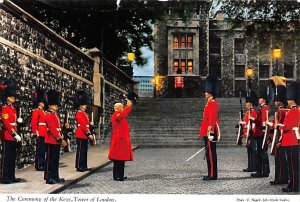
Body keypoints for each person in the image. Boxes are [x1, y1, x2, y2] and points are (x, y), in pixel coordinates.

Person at [277, 81, 299, 193]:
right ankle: (292, 184)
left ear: (293, 100)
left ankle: (294, 185)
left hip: (292, 141)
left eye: (290, 100)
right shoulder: (292, 111)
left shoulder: (295, 111)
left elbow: (288, 126)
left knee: (293, 166)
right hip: (289, 141)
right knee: (291, 165)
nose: (288, 101)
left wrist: (279, 126)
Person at [0, 80, 22, 184]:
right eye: (12, 96)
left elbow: (13, 122)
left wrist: (19, 122)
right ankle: (5, 177)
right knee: (6, 157)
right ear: (7, 97)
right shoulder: (4, 108)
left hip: (14, 135)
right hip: (8, 135)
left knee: (12, 157)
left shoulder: (13, 108)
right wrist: (14, 133)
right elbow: (6, 123)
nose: (13, 98)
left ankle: (11, 176)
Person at [44, 89, 67, 184]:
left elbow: (58, 128)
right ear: (49, 105)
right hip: (51, 140)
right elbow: (52, 129)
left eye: (56, 105)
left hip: (56, 140)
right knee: (50, 160)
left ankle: (55, 176)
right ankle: (48, 177)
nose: (56, 107)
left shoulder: (55, 115)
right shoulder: (49, 115)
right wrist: (60, 139)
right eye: (54, 105)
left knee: (55, 160)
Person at [199, 75, 220, 181]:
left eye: (206, 91)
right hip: (207, 131)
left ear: (210, 92)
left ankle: (212, 174)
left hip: (209, 132)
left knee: (211, 154)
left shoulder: (212, 103)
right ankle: (211, 173)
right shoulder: (209, 103)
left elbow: (212, 119)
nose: (205, 93)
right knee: (209, 154)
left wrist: (211, 132)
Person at [267, 85, 288, 185]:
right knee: (278, 159)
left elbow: (282, 126)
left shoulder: (283, 111)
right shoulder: (279, 111)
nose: (275, 102)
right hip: (277, 137)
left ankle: (282, 178)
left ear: (280, 101)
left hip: (281, 138)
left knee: (281, 159)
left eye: (277, 100)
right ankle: (279, 177)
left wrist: (280, 140)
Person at [108, 99, 133, 181]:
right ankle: (119, 176)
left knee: (119, 160)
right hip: (119, 141)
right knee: (120, 160)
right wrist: (128, 107)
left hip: (120, 140)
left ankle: (117, 175)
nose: (123, 108)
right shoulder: (116, 115)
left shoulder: (118, 115)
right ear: (118, 108)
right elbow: (122, 115)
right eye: (122, 107)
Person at [251, 87, 270, 178]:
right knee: (261, 152)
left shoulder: (265, 108)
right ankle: (263, 170)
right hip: (259, 133)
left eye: (260, 98)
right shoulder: (262, 108)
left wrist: (253, 120)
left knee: (261, 153)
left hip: (261, 133)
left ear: (264, 100)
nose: (259, 100)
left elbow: (262, 121)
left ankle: (262, 171)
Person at [74, 90, 94, 172]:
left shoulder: (84, 113)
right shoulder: (79, 113)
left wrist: (90, 123)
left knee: (84, 151)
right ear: (80, 105)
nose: (85, 106)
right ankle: (79, 166)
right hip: (81, 134)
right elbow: (82, 125)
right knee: (80, 151)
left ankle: (84, 165)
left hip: (84, 134)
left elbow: (86, 124)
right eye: (84, 104)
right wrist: (88, 133)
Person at [239, 90, 258, 173]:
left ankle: (253, 166)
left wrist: (249, 133)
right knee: (249, 151)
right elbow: (247, 123)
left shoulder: (253, 112)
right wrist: (242, 123)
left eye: (247, 103)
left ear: (250, 103)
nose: (245, 104)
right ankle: (250, 166)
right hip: (248, 134)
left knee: (252, 151)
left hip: (251, 134)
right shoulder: (248, 112)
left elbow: (253, 124)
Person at [31, 89, 48, 171]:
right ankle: (39, 165)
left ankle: (42, 163)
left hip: (44, 133)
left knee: (43, 150)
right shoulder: (36, 111)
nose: (43, 104)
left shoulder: (43, 112)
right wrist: (35, 132)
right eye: (42, 102)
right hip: (40, 133)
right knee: (40, 150)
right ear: (39, 102)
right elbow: (34, 122)